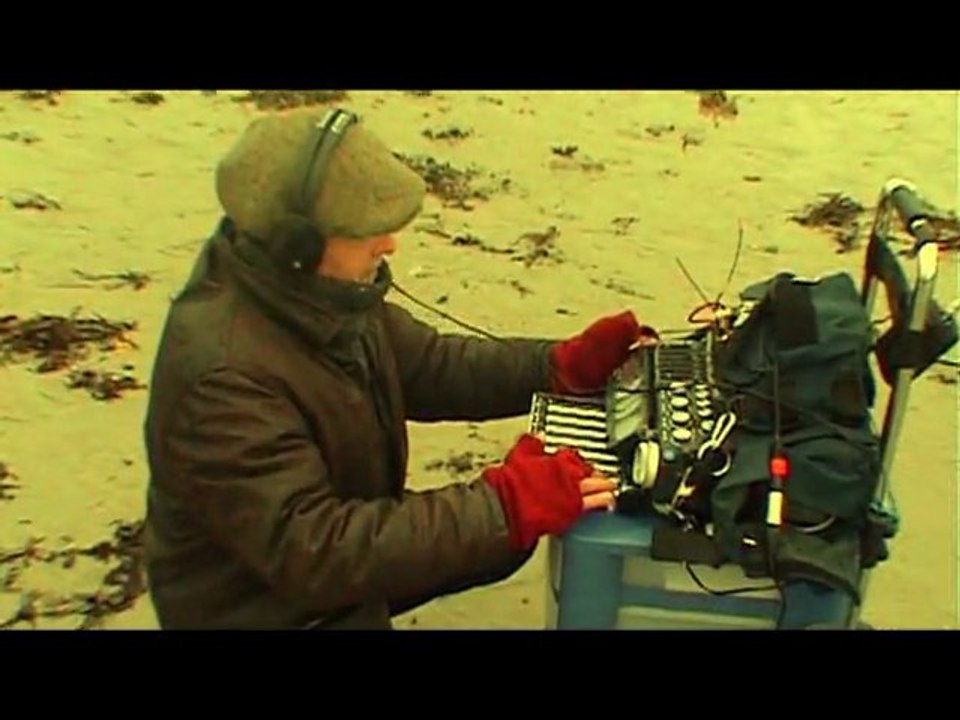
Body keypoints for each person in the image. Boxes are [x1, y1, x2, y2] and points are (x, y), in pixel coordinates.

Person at [142, 106, 657, 630]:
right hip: (271, 609)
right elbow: (316, 551)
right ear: (297, 245)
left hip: (324, 581)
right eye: (367, 230)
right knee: (500, 531)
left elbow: (432, 365)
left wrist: (553, 366)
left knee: (502, 544)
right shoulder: (224, 380)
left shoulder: (318, 298)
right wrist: (502, 506)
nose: (388, 243)